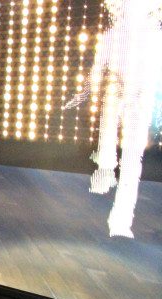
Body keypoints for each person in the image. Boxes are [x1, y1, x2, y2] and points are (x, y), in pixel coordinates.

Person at [62, 0, 162, 238]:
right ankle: (104, 170)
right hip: (117, 95)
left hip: (139, 99)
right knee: (112, 134)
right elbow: (96, 70)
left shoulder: (155, 40)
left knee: (132, 158)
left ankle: (121, 220)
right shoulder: (113, 35)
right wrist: (82, 95)